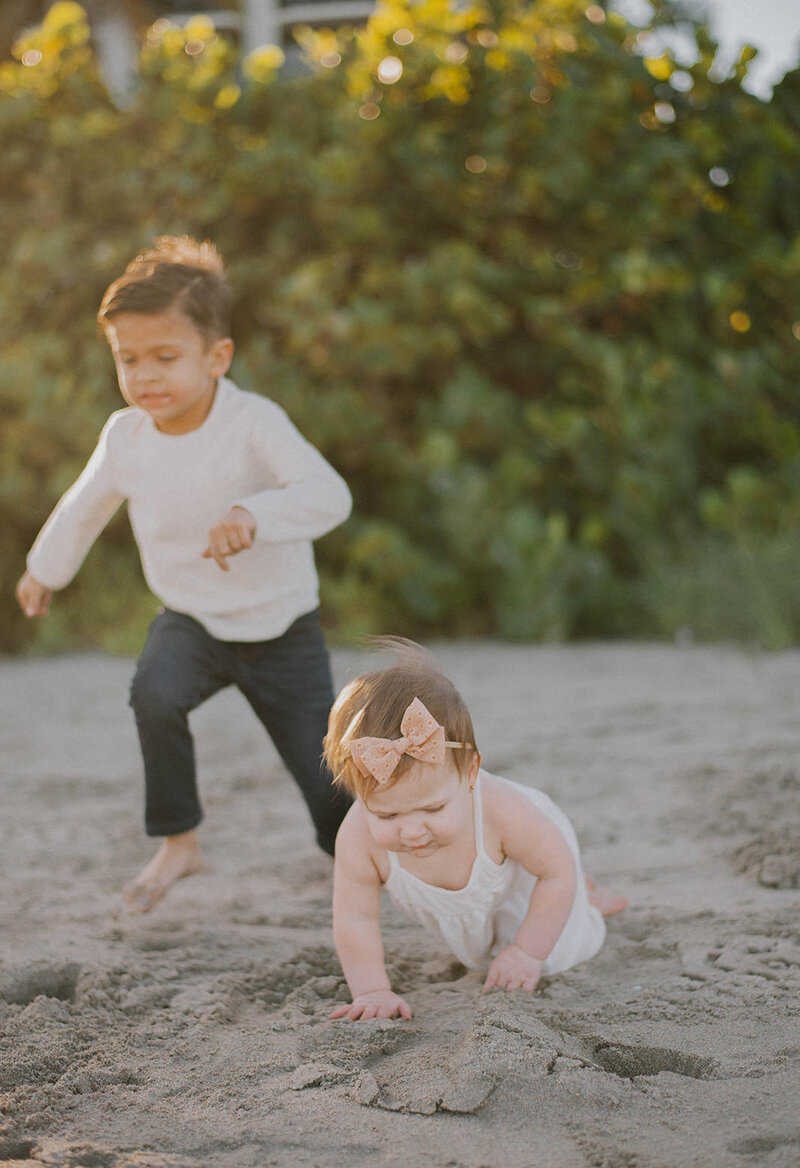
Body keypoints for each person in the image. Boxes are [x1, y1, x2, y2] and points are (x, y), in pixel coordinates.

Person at [15, 235, 353, 912]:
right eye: (128, 358)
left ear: (217, 357)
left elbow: (329, 494)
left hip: (280, 625)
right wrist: (43, 569)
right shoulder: (125, 436)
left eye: (165, 358)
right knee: (154, 695)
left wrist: (255, 515)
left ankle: (362, 854)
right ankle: (179, 840)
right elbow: (83, 508)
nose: (145, 376)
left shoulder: (253, 422)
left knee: (326, 782)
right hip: (192, 619)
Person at [324, 640, 626, 1020]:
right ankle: (578, 898)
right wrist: (371, 990)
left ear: (470, 774)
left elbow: (555, 871)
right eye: (387, 816)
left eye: (433, 808)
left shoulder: (503, 811)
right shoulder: (357, 837)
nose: (412, 831)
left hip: (541, 865)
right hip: (486, 898)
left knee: (557, 954)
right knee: (483, 956)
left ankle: (587, 903)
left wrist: (527, 953)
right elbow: (355, 918)